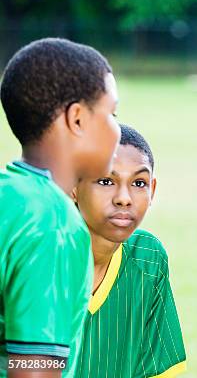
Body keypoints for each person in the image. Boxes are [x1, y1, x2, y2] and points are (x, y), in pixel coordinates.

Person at [0, 38, 120, 377]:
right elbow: (34, 370)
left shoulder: (9, 194)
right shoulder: (53, 222)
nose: (117, 129)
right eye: (112, 114)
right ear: (78, 119)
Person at [72, 124, 186, 377]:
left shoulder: (148, 257)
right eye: (106, 181)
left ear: (153, 190)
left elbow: (157, 370)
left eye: (138, 182)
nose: (124, 198)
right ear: (73, 186)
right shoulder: (34, 258)